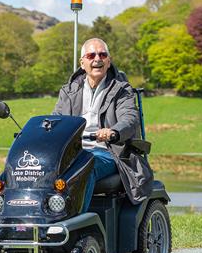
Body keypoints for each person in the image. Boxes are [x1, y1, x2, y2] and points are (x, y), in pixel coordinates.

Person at [53, 38, 153, 211]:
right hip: (73, 152)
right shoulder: (68, 91)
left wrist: (114, 131)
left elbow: (129, 118)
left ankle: (76, 221)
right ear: (82, 63)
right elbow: (55, 119)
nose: (97, 59)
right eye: (91, 55)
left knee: (86, 165)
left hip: (108, 152)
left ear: (109, 61)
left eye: (102, 54)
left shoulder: (122, 89)